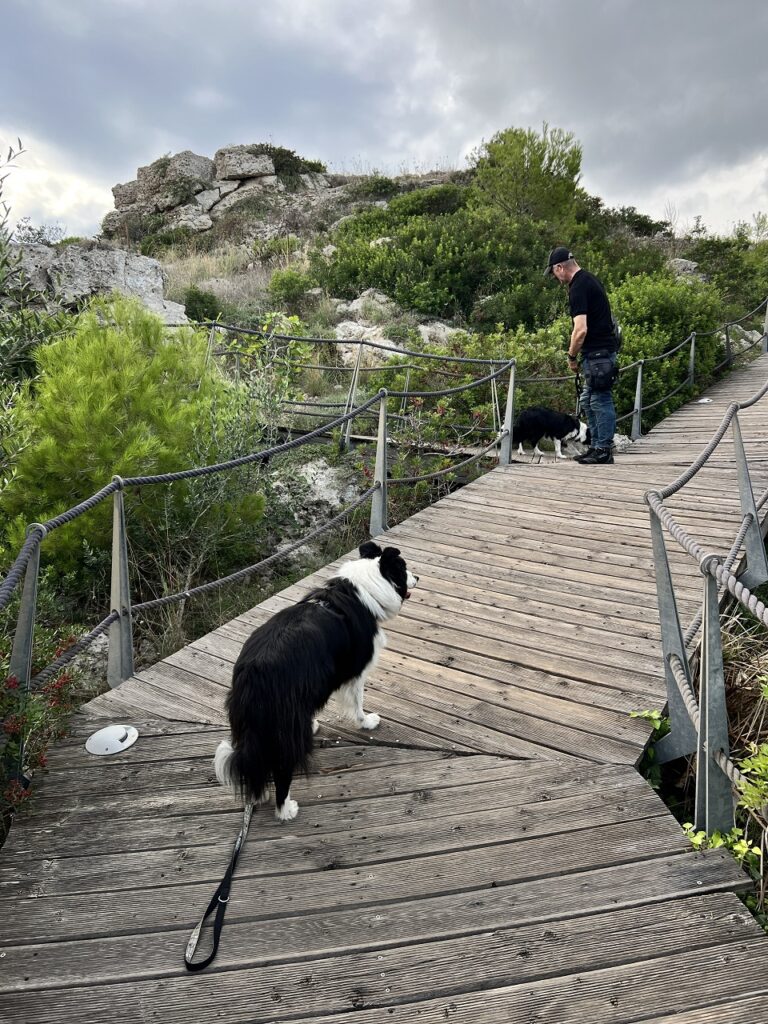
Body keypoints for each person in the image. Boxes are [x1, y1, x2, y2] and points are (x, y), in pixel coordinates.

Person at [544, 246, 618, 465]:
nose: (555, 278)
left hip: (597, 353)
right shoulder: (589, 280)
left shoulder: (578, 287)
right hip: (600, 351)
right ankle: (596, 446)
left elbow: (580, 330)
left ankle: (604, 449)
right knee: (588, 400)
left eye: (553, 273)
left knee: (600, 400)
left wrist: (571, 356)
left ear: (559, 267)